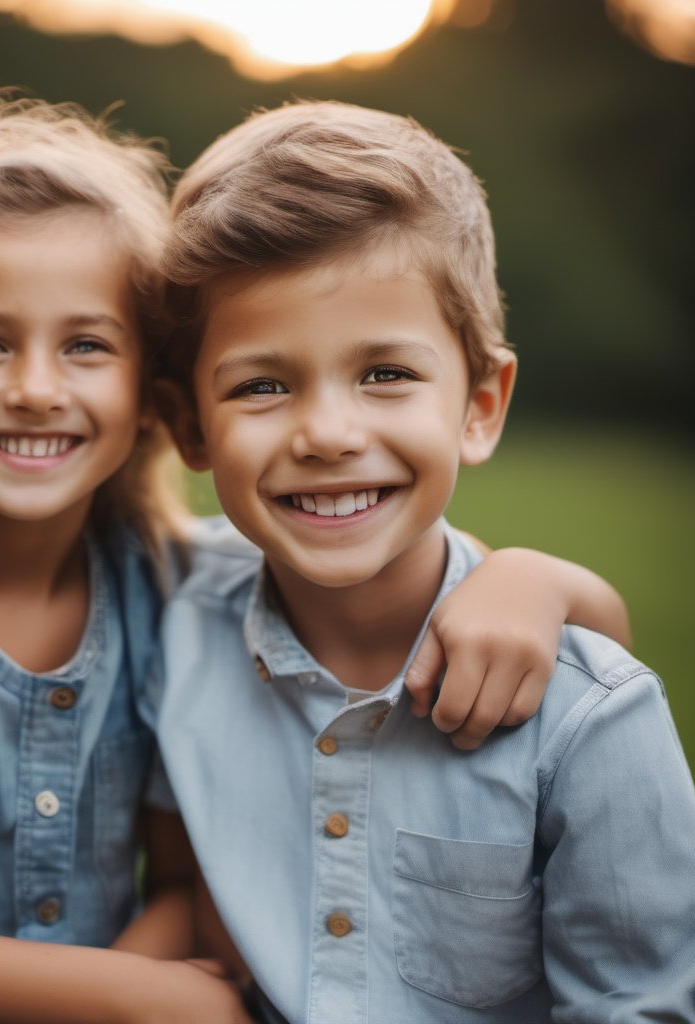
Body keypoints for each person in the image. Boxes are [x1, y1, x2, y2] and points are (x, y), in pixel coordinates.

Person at [0, 84, 632, 1024]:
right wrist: (136, 995)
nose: (34, 388)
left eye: (87, 346)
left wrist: (531, 579)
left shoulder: (173, 581)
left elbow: (188, 878)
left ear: (150, 390)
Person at [153, 100, 695, 1024]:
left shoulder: (590, 720)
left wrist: (541, 578)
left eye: (386, 374)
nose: (328, 433)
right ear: (190, 428)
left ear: (481, 404)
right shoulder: (169, 605)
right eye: (263, 385)